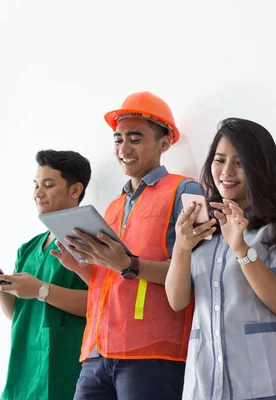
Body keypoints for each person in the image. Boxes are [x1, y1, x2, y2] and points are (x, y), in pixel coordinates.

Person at [53, 91, 203, 400]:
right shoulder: (112, 207)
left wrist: (128, 264)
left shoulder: (185, 190)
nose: (124, 148)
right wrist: (84, 267)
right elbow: (112, 278)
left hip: (152, 354)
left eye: (135, 139)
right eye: (118, 139)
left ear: (165, 143)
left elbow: (198, 274)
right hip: (97, 350)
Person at [165, 117, 276, 400]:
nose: (227, 171)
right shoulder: (200, 223)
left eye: (239, 163)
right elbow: (177, 301)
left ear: (259, 167)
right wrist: (181, 246)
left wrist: (240, 248)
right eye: (219, 160)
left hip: (267, 380)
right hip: (207, 381)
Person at [0, 150, 90, 400]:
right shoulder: (28, 249)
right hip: (23, 369)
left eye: (48, 185)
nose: (38, 193)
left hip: (63, 368)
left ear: (75, 190)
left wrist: (42, 290)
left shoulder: (87, 242)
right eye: (36, 185)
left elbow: (100, 303)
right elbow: (18, 314)